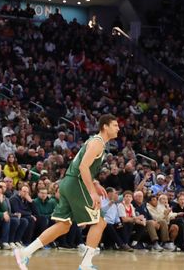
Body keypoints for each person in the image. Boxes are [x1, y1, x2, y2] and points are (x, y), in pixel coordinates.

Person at [15, 114, 120, 270]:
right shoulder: (97, 143)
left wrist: (95, 182)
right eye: (115, 125)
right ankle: (85, 264)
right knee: (100, 222)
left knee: (63, 225)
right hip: (76, 183)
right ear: (105, 126)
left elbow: (81, 166)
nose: (118, 128)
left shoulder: (94, 141)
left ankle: (25, 252)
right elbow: (83, 167)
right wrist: (92, 192)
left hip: (68, 182)